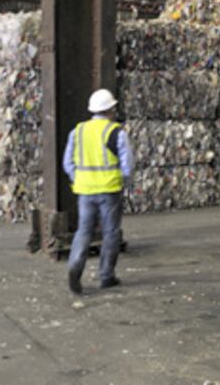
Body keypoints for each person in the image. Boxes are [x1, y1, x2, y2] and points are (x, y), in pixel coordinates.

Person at [62, 88, 135, 294]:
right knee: (110, 232)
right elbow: (128, 163)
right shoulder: (116, 132)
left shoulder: (78, 131)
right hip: (110, 190)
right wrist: (124, 180)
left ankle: (75, 266)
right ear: (111, 109)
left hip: (85, 190)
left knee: (83, 230)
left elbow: (67, 162)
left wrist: (79, 178)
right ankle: (106, 276)